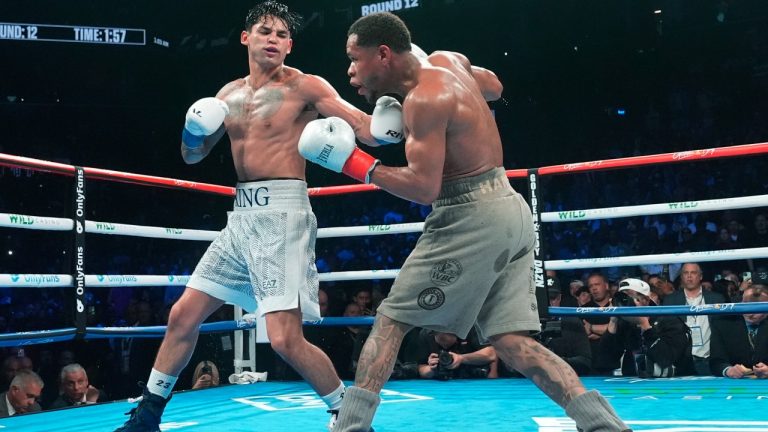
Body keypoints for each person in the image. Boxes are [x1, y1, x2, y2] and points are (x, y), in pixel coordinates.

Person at [298, 12, 630, 432]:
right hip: (509, 207)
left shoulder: (423, 99)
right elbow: (494, 86)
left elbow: (423, 188)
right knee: (511, 341)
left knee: (391, 320)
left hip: (469, 214)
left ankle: (351, 427)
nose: (349, 71)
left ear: (383, 54)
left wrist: (355, 164)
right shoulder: (447, 61)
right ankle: (602, 424)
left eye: (354, 58)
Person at [114, 2, 403, 431]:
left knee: (285, 339)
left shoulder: (306, 86)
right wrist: (191, 130)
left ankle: (351, 415)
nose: (273, 38)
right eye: (265, 30)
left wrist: (389, 121)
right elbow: (192, 156)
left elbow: (365, 129)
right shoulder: (226, 96)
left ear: (290, 45)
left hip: (283, 214)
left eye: (282, 34)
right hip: (241, 217)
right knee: (182, 316)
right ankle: (148, 416)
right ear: (246, 38)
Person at [600, 279, 694, 377]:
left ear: (645, 300)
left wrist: (645, 325)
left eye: (628, 297)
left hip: (675, 384)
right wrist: (613, 321)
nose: (625, 303)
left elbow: (665, 359)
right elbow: (604, 362)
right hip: (634, 383)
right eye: (622, 299)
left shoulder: (670, 321)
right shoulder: (625, 324)